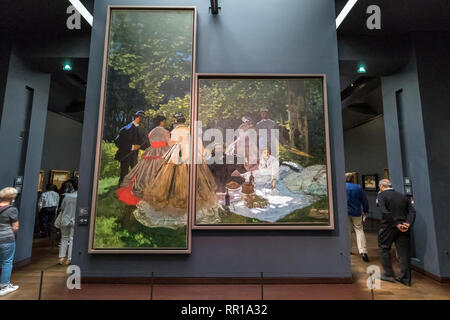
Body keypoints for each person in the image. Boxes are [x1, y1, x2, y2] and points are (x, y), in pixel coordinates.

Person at [143, 113, 216, 214]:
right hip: (190, 154)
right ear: (184, 121)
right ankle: (194, 198)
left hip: (178, 153)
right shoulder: (188, 129)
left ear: (176, 121)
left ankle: (177, 197)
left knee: (173, 176)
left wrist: (177, 142)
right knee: (195, 175)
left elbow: (171, 143)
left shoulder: (175, 130)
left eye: (174, 120)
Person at [117, 115, 171, 205]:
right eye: (164, 121)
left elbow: (151, 142)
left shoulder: (152, 132)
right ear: (161, 122)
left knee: (147, 171)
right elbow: (169, 142)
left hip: (152, 151)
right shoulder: (165, 131)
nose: (165, 123)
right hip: (163, 151)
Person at [377, 179, 416, 286]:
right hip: (403, 228)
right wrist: (408, 223)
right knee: (404, 253)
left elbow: (384, 211)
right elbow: (412, 211)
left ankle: (389, 274)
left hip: (388, 227)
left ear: (381, 186)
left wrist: (395, 223)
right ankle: (406, 278)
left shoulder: (381, 196)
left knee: (384, 248)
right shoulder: (402, 196)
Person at [114, 110, 149, 185]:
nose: (143, 120)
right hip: (125, 155)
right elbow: (118, 142)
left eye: (143, 118)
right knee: (124, 173)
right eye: (141, 118)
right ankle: (120, 190)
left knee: (136, 172)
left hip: (134, 155)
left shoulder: (141, 130)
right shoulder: (125, 129)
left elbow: (143, 142)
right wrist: (132, 147)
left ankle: (132, 189)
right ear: (137, 118)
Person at [345, 173, 369, 262]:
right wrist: (366, 210)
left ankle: (348, 250)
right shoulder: (358, 187)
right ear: (352, 179)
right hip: (357, 212)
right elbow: (364, 200)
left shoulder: (342, 186)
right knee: (359, 230)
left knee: (348, 231)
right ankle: (363, 251)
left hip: (345, 212)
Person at [0, 187, 19, 296]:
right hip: (7, 238)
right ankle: (4, 286)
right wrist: (14, 236)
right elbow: (15, 227)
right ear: (12, 197)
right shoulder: (12, 209)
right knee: (7, 262)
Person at [57, 182, 78, 265]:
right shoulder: (81, 197)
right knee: (72, 238)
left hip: (65, 219)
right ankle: (69, 258)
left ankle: (61, 257)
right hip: (74, 219)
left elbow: (62, 208)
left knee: (64, 238)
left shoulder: (67, 196)